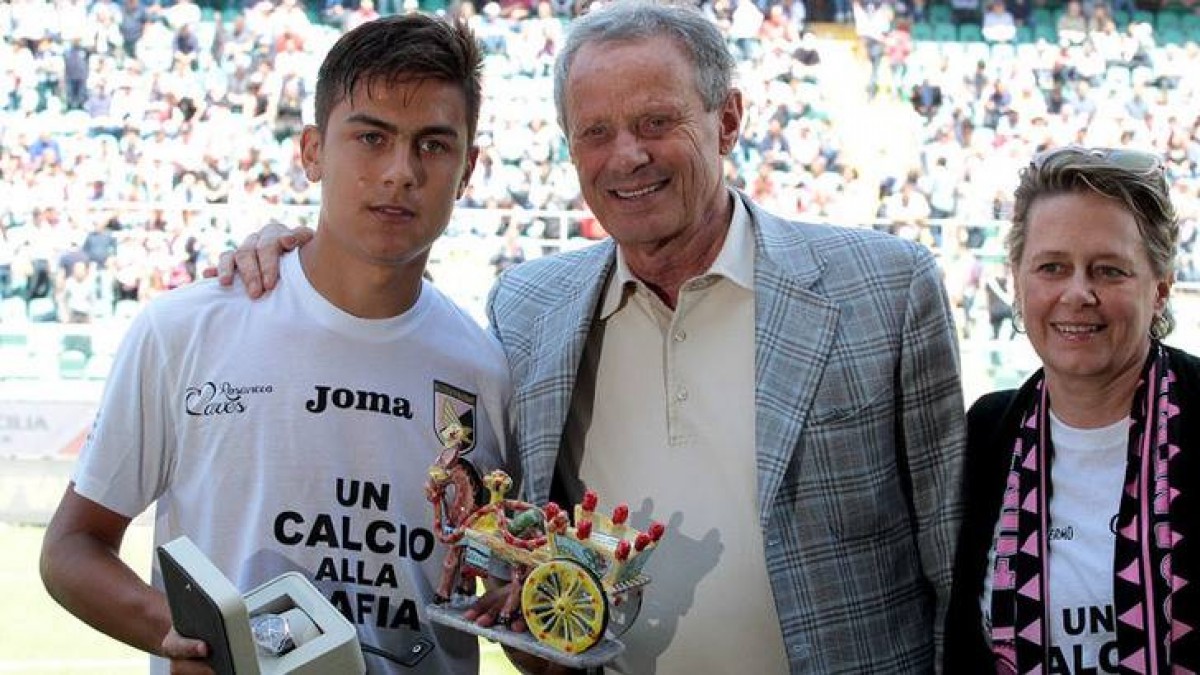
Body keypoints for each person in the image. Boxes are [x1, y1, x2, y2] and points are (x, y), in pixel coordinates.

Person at [221, 2, 965, 672]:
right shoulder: (527, 308)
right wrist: (290, 259)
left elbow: (955, 556)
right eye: (596, 133)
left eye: (656, 123)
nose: (628, 156)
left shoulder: (885, 288)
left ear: (728, 120)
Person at [40, 15, 512, 675]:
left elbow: (502, 599)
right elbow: (71, 547)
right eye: (371, 137)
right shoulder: (185, 330)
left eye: (433, 145)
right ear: (312, 151)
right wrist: (180, 633)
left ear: (468, 170)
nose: (400, 172)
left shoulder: (485, 371)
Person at [946, 146, 1200, 672]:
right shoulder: (986, 435)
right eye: (1052, 267)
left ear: (1160, 290)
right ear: (1018, 282)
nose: (1078, 293)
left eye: (1109, 271)